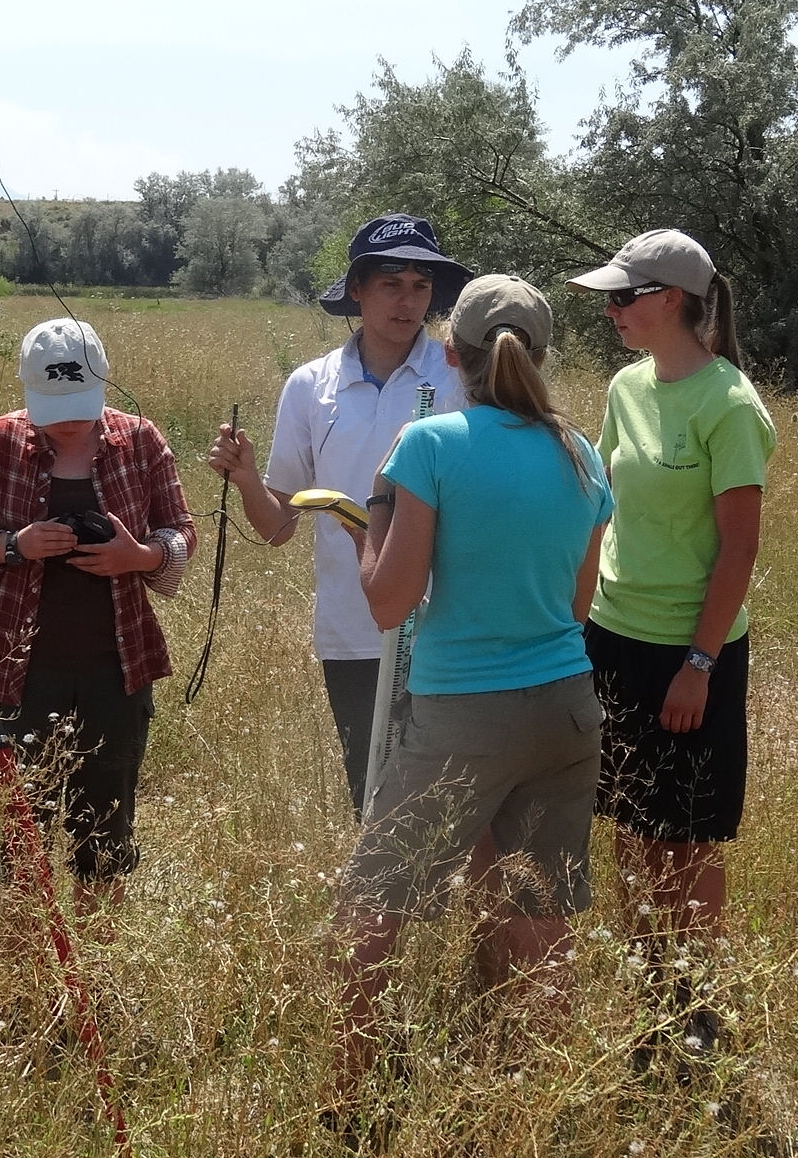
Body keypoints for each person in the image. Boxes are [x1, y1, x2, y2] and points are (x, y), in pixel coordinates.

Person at [327, 274, 613, 1109]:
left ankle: (346, 1095)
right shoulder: (579, 451)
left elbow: (387, 599)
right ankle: (540, 1104)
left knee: (372, 903)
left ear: (451, 355)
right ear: (543, 354)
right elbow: (575, 605)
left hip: (462, 711)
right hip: (565, 704)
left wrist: (370, 522)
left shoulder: (429, 446)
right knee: (541, 910)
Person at [567, 229, 774, 1059]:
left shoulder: (728, 404)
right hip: (615, 634)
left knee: (689, 835)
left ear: (674, 301)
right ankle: (649, 988)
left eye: (626, 296)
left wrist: (700, 663)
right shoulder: (626, 387)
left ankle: (699, 1008)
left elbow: (740, 549)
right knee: (628, 820)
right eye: (611, 297)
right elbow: (606, 508)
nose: (613, 310)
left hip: (693, 650)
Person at [206, 213, 472, 815]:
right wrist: (247, 478)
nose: (408, 303)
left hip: (450, 623)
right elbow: (277, 526)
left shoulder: (459, 376)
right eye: (391, 284)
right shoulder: (310, 386)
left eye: (421, 286)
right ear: (356, 290)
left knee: (452, 801)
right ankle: (384, 910)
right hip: (353, 629)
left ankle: (449, 908)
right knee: (373, 795)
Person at [0, 317, 196, 913]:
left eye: (81, 402)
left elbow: (180, 530)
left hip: (117, 671)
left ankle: (93, 988)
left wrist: (141, 556)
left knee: (105, 841)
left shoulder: (141, 441)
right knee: (18, 841)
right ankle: (24, 988)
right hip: (19, 674)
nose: (72, 420)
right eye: (55, 407)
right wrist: (13, 546)